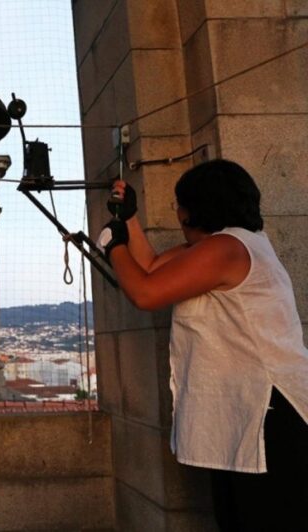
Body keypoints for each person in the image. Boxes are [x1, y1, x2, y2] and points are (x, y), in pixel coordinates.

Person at [99, 159, 308, 531]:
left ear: (200, 208)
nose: (176, 212)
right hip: (250, 411)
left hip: (271, 412)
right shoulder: (226, 245)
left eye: (180, 203)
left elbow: (146, 292)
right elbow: (150, 266)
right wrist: (129, 218)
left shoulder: (227, 248)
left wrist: (112, 245)